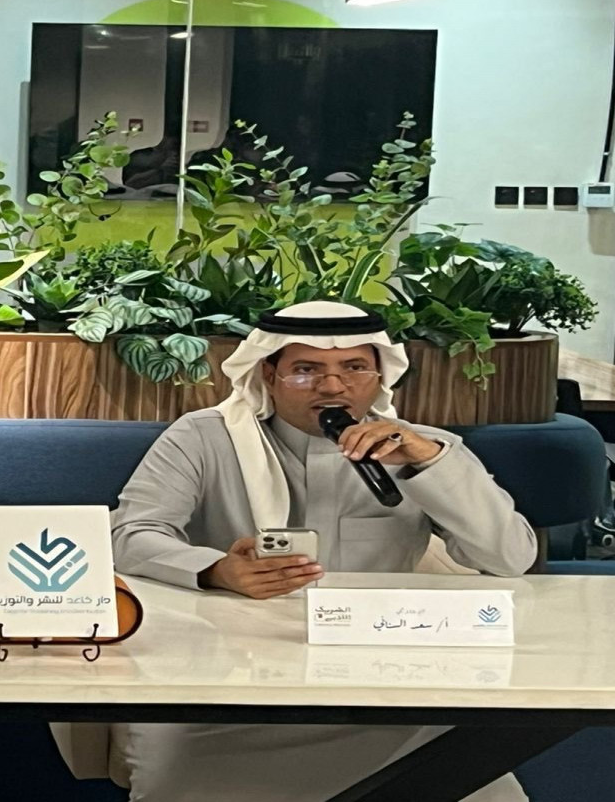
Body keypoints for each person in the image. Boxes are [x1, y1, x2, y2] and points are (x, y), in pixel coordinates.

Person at [109, 300, 537, 802]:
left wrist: (428, 464)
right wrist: (217, 570)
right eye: (306, 370)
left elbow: (510, 557)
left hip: (390, 679)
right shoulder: (204, 437)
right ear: (269, 375)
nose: (333, 387)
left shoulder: (427, 449)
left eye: (354, 368)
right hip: (225, 679)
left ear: (380, 376)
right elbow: (130, 534)